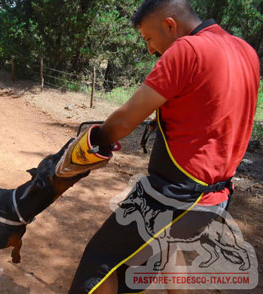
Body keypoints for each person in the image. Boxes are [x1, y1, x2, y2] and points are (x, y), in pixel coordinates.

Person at [68, 0, 260, 293]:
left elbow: (122, 121)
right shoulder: (246, 51)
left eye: (149, 39)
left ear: (170, 25)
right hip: (217, 199)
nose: (150, 50)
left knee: (101, 261)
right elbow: (212, 112)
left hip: (174, 197)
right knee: (170, 248)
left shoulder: (187, 49)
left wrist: (92, 142)